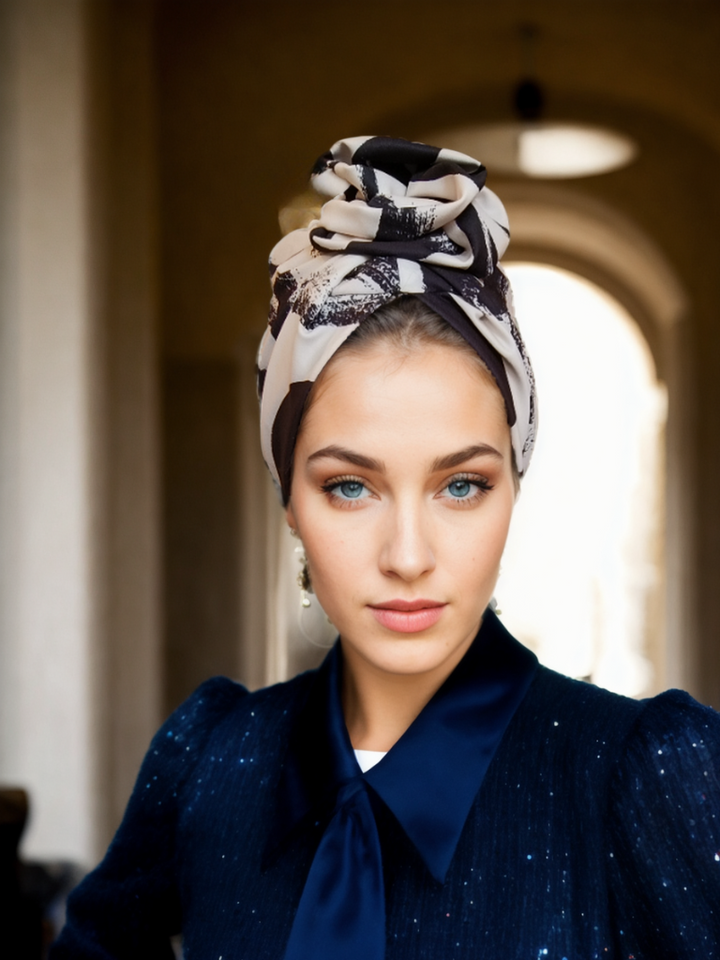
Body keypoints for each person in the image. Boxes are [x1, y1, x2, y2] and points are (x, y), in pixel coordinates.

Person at [51, 136, 720, 959]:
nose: (408, 554)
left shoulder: (647, 776)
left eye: (461, 486)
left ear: (514, 487)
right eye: (350, 487)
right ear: (289, 498)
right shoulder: (209, 763)